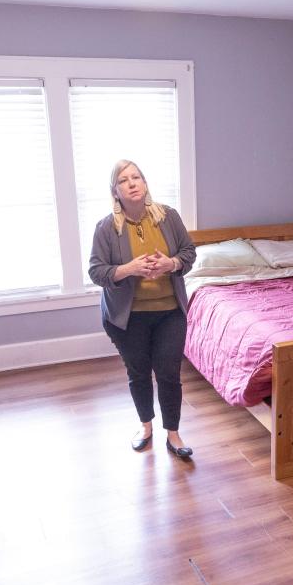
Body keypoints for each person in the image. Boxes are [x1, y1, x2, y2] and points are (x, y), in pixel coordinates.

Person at [89, 159, 197, 459]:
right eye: (124, 180)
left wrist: (171, 263)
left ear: (145, 183)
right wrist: (129, 269)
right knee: (138, 372)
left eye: (137, 177)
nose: (132, 183)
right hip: (128, 318)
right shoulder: (106, 228)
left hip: (169, 313)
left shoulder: (168, 217)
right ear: (115, 191)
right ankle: (145, 426)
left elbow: (189, 252)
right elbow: (97, 272)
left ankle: (173, 434)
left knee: (168, 372)